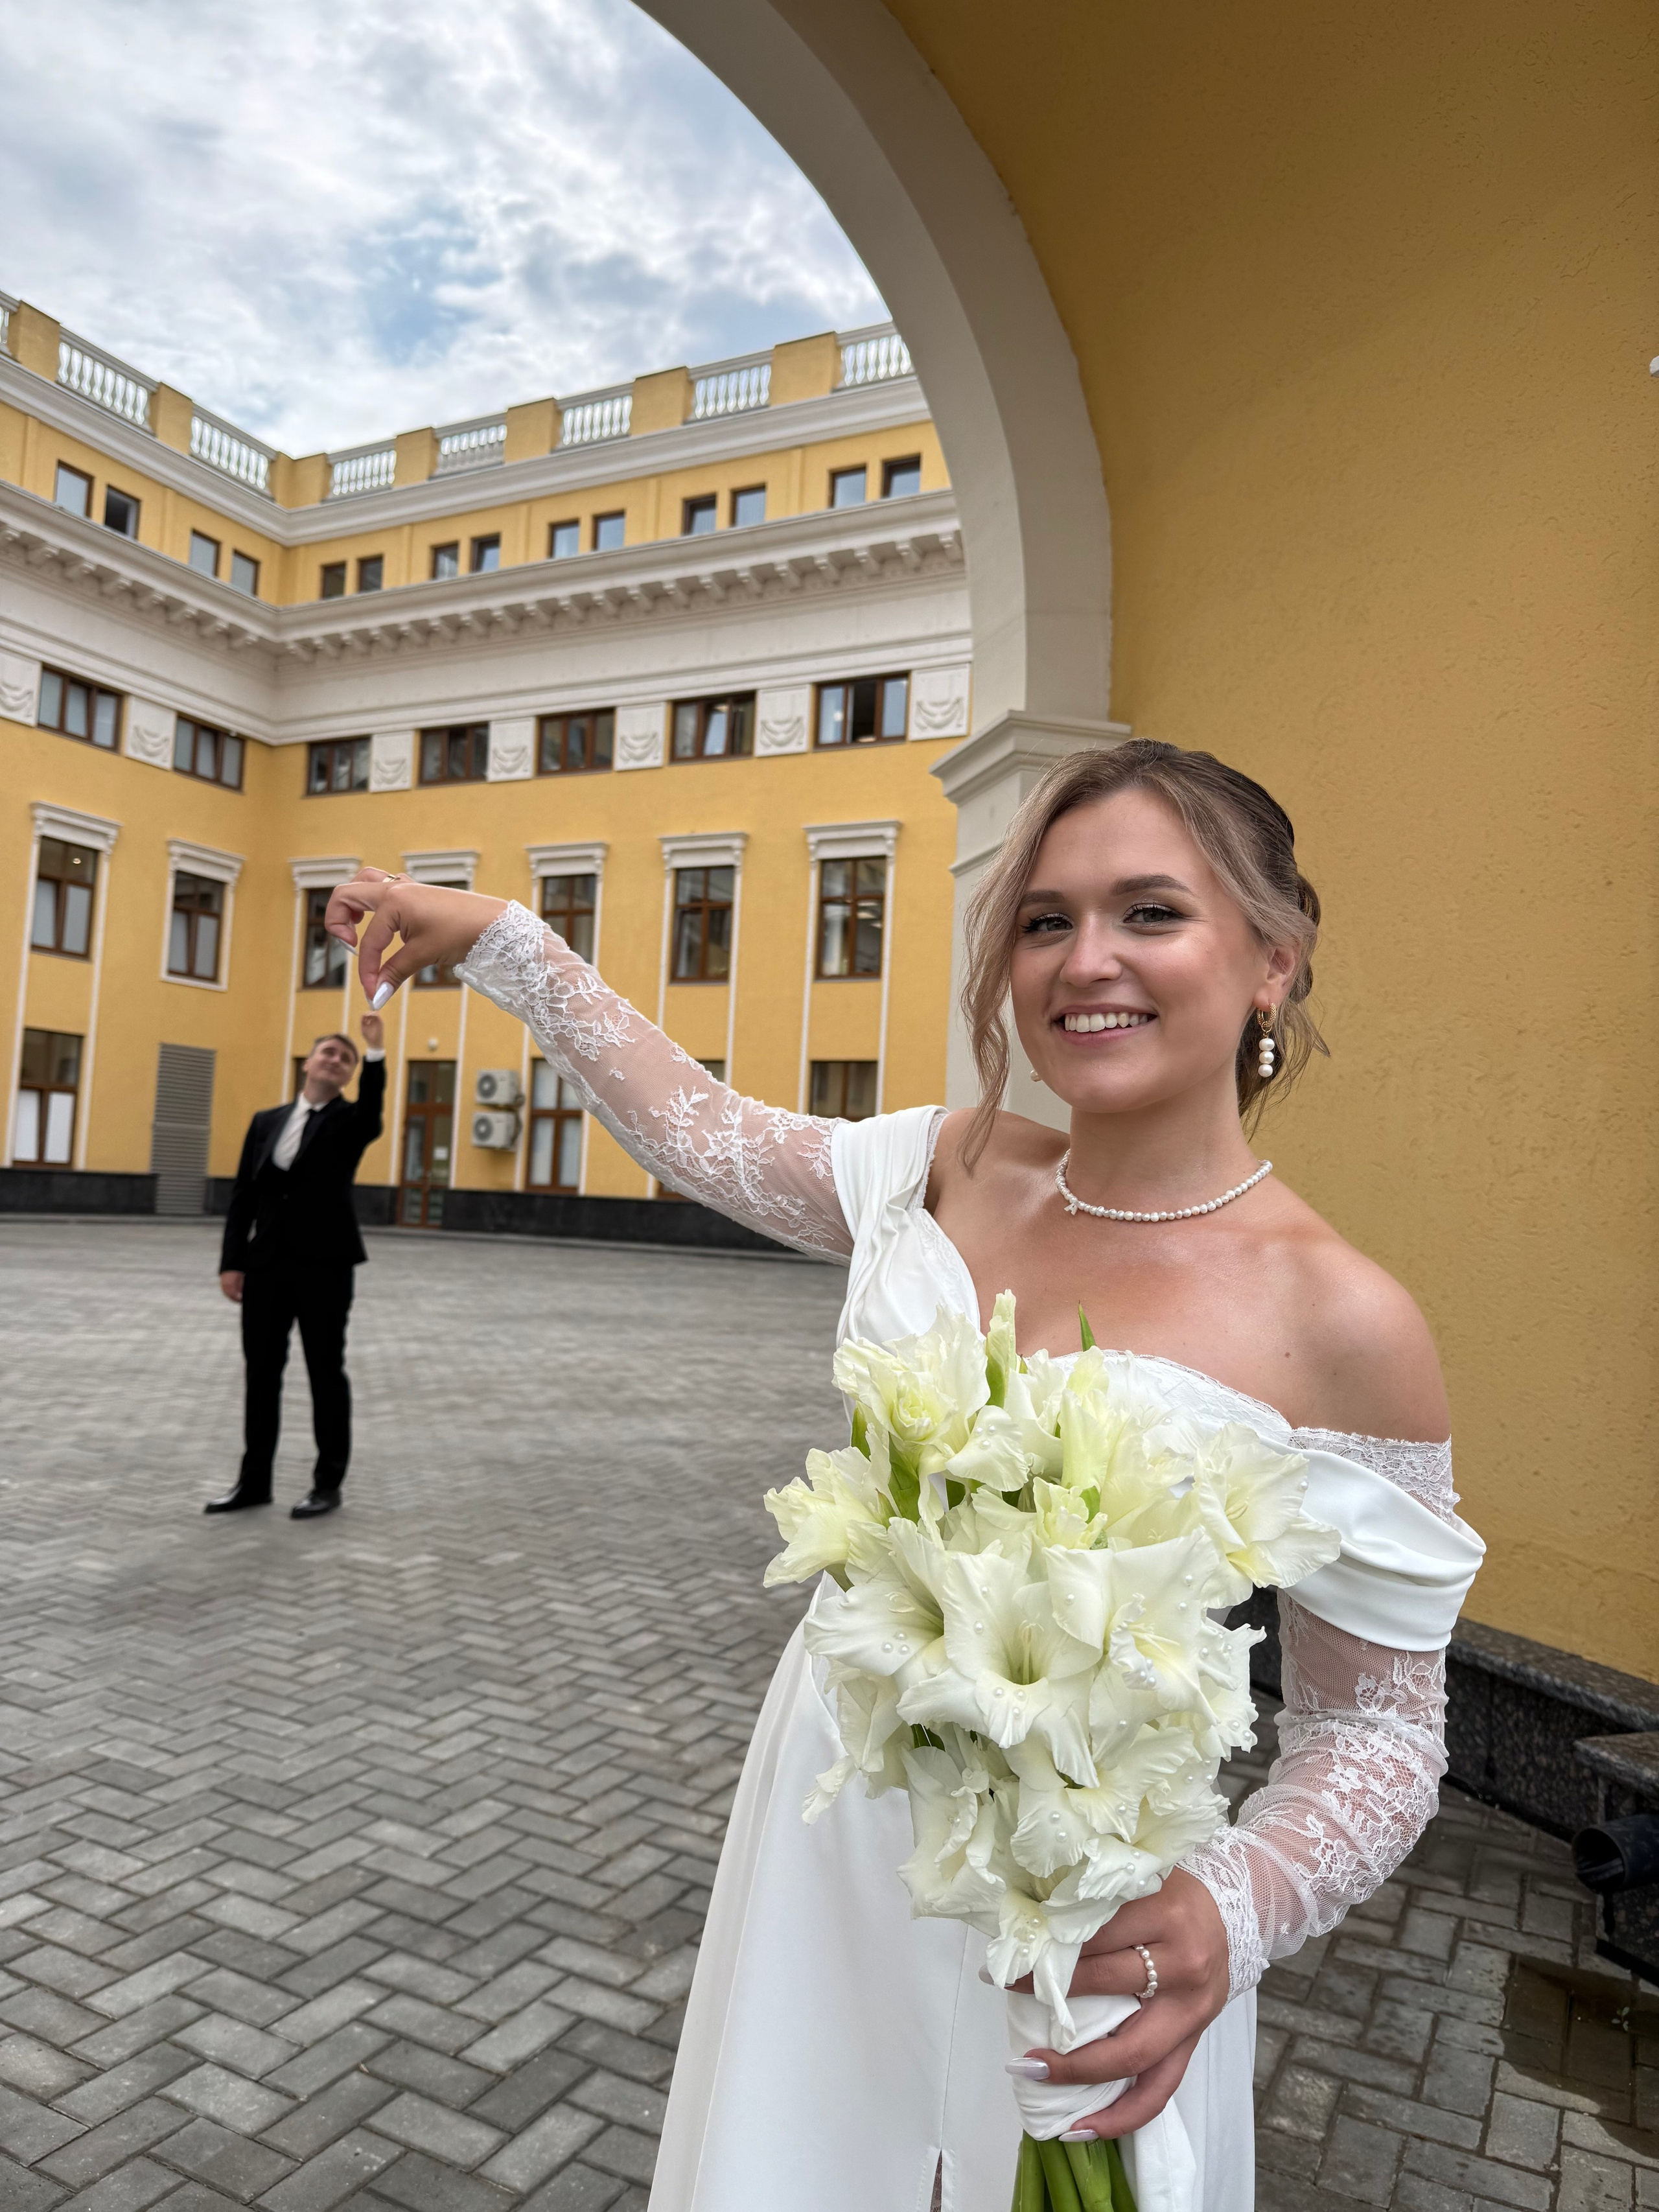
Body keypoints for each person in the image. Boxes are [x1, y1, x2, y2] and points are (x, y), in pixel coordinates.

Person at [324, 744, 1482, 2211]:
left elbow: (1376, 1728)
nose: (1084, 962)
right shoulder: (948, 1166)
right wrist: (505, 943)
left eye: (1149, 913)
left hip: (1080, 1919)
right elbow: (699, 1128)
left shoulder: (1343, 1325)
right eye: (1044, 921)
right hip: (829, 1851)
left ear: (1271, 960)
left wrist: (1228, 1909)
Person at [209, 1014, 386, 1520]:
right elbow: (243, 1195)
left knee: (325, 1372)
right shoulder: (267, 1121)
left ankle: (327, 1484)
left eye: (345, 1059)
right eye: (328, 1052)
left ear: (349, 1074)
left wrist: (375, 1051)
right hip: (264, 1268)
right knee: (261, 1375)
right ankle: (253, 1482)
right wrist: (232, 1262)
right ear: (308, 1063)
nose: (335, 1060)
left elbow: (374, 1110)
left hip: (325, 1268)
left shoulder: (351, 1122)